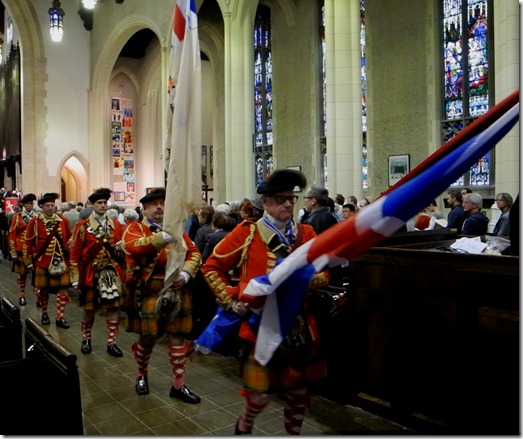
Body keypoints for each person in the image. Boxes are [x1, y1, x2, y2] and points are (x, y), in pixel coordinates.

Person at [202, 168, 330, 435]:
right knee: (260, 396)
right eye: (280, 198)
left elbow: (325, 272)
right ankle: (244, 426)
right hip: (261, 325)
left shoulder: (305, 234)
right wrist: (230, 299)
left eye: (291, 199)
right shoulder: (248, 233)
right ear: (266, 203)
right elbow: (212, 267)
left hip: (298, 326)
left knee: (299, 392)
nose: (287, 204)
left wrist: (307, 279)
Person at [121, 187, 202, 403]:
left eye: (162, 203)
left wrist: (185, 274)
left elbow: (194, 253)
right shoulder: (135, 228)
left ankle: (179, 384)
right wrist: (164, 237)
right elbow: (134, 248)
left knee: (177, 337)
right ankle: (141, 375)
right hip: (150, 289)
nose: (159, 207)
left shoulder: (178, 230)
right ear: (144, 210)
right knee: (147, 339)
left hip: (176, 289)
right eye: (154, 204)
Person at [69, 188, 126, 357]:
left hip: (111, 273)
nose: (102, 205)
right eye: (99, 203)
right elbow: (75, 254)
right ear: (92, 205)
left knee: (113, 308)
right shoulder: (82, 226)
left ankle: (112, 342)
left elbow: (121, 248)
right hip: (90, 273)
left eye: (104, 203)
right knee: (89, 309)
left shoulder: (115, 225)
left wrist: (121, 247)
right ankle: (86, 339)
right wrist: (75, 278)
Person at [22, 192, 72, 328]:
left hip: (61, 261)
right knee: (43, 290)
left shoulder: (63, 220)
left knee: (63, 290)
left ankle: (60, 317)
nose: (50, 208)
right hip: (42, 261)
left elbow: (69, 238)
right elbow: (28, 243)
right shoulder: (35, 222)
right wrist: (28, 262)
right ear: (42, 207)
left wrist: (72, 243)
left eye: (52, 205)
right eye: (47, 205)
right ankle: (44, 313)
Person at [8, 193, 38, 306]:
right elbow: (12, 234)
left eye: (32, 203)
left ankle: (37, 296)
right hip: (21, 249)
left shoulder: (37, 216)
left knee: (36, 275)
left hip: (34, 250)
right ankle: (21, 295)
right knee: (22, 274)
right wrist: (13, 252)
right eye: (28, 203)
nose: (30, 205)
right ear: (24, 205)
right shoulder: (18, 216)